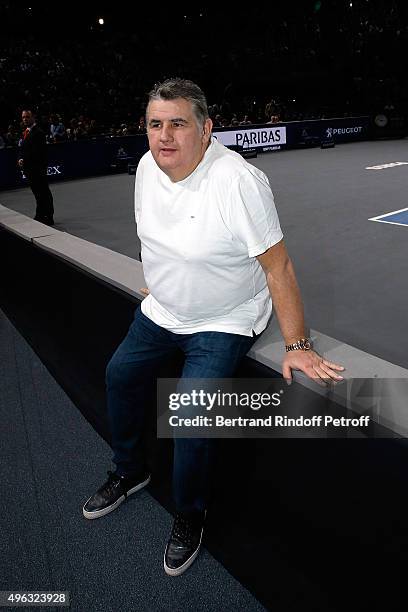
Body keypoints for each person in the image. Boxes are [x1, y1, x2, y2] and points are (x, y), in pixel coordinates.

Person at [82, 78, 345, 576]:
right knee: (120, 375)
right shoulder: (145, 167)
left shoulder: (238, 181)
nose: (164, 137)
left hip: (225, 318)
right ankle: (130, 471)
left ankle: (190, 513)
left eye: (178, 124)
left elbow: (278, 266)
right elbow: (156, 238)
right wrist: (163, 285)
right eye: (154, 125)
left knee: (191, 416)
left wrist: (299, 344)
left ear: (206, 129)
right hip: (164, 310)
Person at [17, 109, 54, 225]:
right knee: (38, 193)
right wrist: (20, 158)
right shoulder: (25, 132)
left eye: (27, 117)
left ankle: (48, 216)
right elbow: (23, 149)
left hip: (37, 169)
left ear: (33, 117)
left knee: (43, 193)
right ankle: (41, 214)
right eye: (23, 117)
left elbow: (38, 152)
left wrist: (25, 159)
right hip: (30, 169)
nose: (25, 119)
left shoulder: (38, 132)